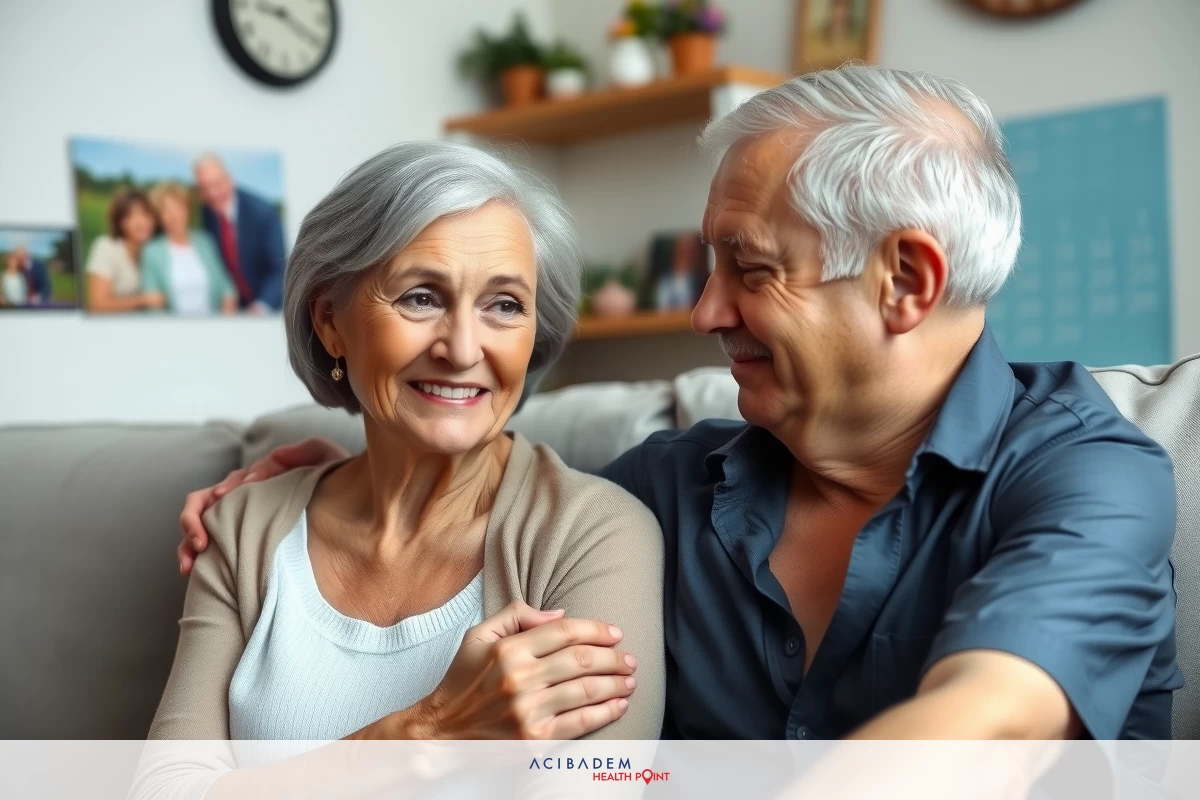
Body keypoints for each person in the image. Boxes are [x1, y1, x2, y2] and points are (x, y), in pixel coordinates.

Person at [178, 67, 1180, 747]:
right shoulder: (673, 487)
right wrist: (317, 482)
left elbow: (987, 716)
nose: (704, 311)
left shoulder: (1091, 474)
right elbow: (472, 477)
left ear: (905, 282)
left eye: (747, 268)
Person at [140, 141, 664, 798]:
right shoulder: (247, 527)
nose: (464, 348)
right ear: (330, 321)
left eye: (504, 305)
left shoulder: (594, 535)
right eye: (421, 297)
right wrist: (425, 737)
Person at [194, 152, 287, 313]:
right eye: (204, 188)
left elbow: (280, 269)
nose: (212, 194)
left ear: (229, 179)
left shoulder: (262, 212)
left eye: (216, 185)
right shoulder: (206, 213)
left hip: (271, 307)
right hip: (234, 310)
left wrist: (261, 306)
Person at [141, 182, 238, 315]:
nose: (175, 215)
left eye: (179, 207)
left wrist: (225, 324)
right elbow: (153, 306)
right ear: (159, 217)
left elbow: (227, 290)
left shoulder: (205, 241)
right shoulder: (152, 251)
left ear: (187, 210)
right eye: (167, 210)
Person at [84, 188, 165, 313]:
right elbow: (96, 305)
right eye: (131, 216)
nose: (142, 222)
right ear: (120, 222)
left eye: (146, 214)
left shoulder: (153, 250)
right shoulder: (107, 246)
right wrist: (143, 300)